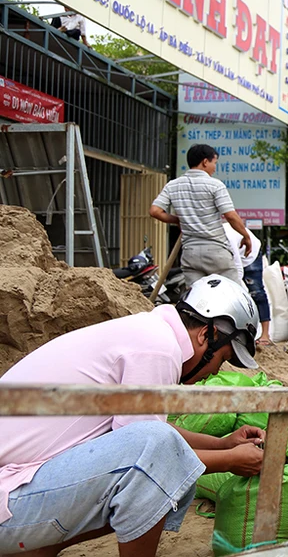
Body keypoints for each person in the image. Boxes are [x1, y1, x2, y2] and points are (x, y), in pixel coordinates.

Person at [0, 275, 265, 556]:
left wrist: (222, 444)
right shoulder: (157, 349)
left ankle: (33, 550)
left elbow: (145, 436)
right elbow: (152, 455)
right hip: (10, 500)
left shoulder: (148, 332)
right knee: (161, 472)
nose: (215, 371)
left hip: (15, 489)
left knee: (160, 454)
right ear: (206, 335)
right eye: (222, 359)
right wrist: (229, 461)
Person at [150, 144, 253, 287]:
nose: (215, 168)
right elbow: (230, 215)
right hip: (216, 252)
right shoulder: (215, 185)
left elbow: (155, 211)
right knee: (234, 293)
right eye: (214, 163)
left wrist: (178, 220)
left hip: (190, 254)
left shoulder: (172, 185)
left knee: (197, 300)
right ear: (205, 162)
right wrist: (246, 236)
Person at [222, 223, 273, 348]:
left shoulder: (227, 236)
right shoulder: (206, 241)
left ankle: (265, 335)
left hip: (249, 254)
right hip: (230, 259)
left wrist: (237, 289)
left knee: (256, 292)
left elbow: (238, 267)